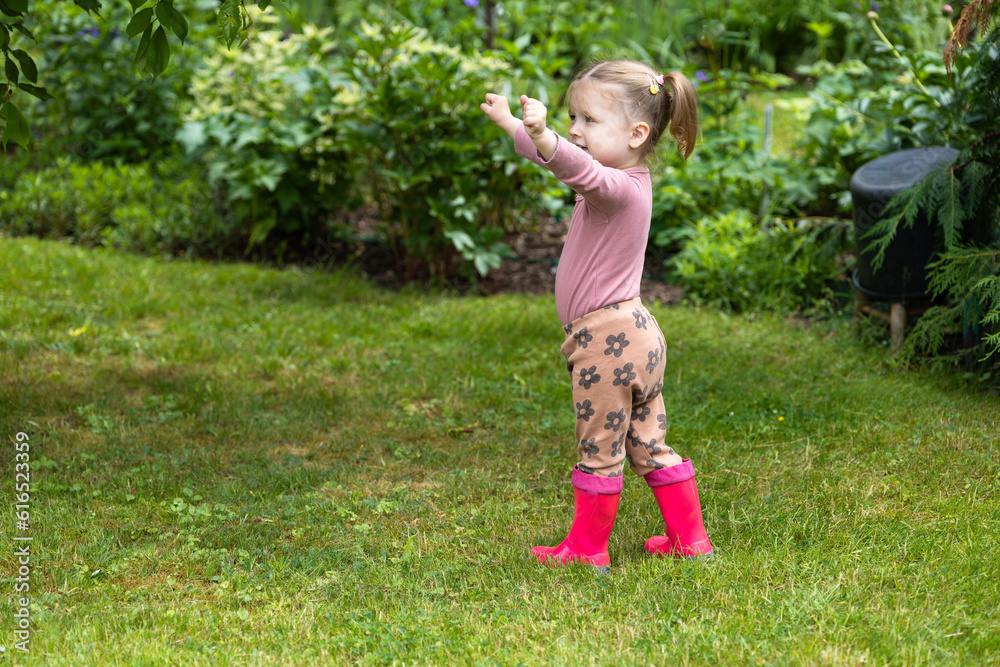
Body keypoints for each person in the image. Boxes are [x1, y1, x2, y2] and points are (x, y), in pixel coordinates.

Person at [480, 59, 714, 569]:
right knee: (648, 442)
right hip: (635, 337)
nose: (576, 130)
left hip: (607, 344)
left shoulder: (619, 191)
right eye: (573, 118)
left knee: (601, 449)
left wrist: (544, 136)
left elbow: (573, 166)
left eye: (588, 120)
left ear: (636, 134)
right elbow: (562, 161)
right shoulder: (620, 180)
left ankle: (587, 550)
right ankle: (690, 540)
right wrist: (512, 125)